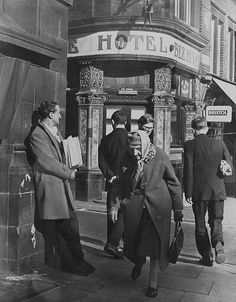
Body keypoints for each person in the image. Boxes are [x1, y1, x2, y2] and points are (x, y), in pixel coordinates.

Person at [24, 100, 95, 276]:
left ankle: (78, 261)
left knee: (71, 226)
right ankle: (71, 264)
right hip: (51, 187)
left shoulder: (52, 132)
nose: (61, 116)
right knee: (64, 228)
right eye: (58, 113)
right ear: (50, 115)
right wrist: (68, 173)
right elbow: (46, 161)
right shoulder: (38, 134)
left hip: (59, 186)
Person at [110, 130, 183, 297]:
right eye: (131, 148)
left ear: (144, 144)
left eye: (137, 148)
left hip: (158, 206)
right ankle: (139, 260)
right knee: (134, 239)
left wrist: (178, 209)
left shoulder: (159, 155)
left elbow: (173, 182)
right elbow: (119, 182)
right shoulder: (125, 156)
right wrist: (114, 205)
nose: (134, 152)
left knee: (155, 245)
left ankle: (153, 283)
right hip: (136, 206)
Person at [183, 116, 232, 267]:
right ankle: (218, 242)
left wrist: (188, 193)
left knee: (200, 223)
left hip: (199, 191)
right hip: (217, 190)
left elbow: (188, 171)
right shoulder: (220, 143)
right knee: (216, 220)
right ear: (207, 128)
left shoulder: (189, 145)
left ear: (193, 129)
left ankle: (206, 255)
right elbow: (228, 166)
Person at [98, 110, 129, 259]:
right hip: (128, 182)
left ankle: (113, 245)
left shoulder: (105, 140)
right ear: (126, 122)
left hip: (113, 183)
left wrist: (110, 176)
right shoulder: (131, 138)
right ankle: (123, 246)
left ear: (112, 122)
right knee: (126, 214)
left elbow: (101, 162)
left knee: (112, 213)